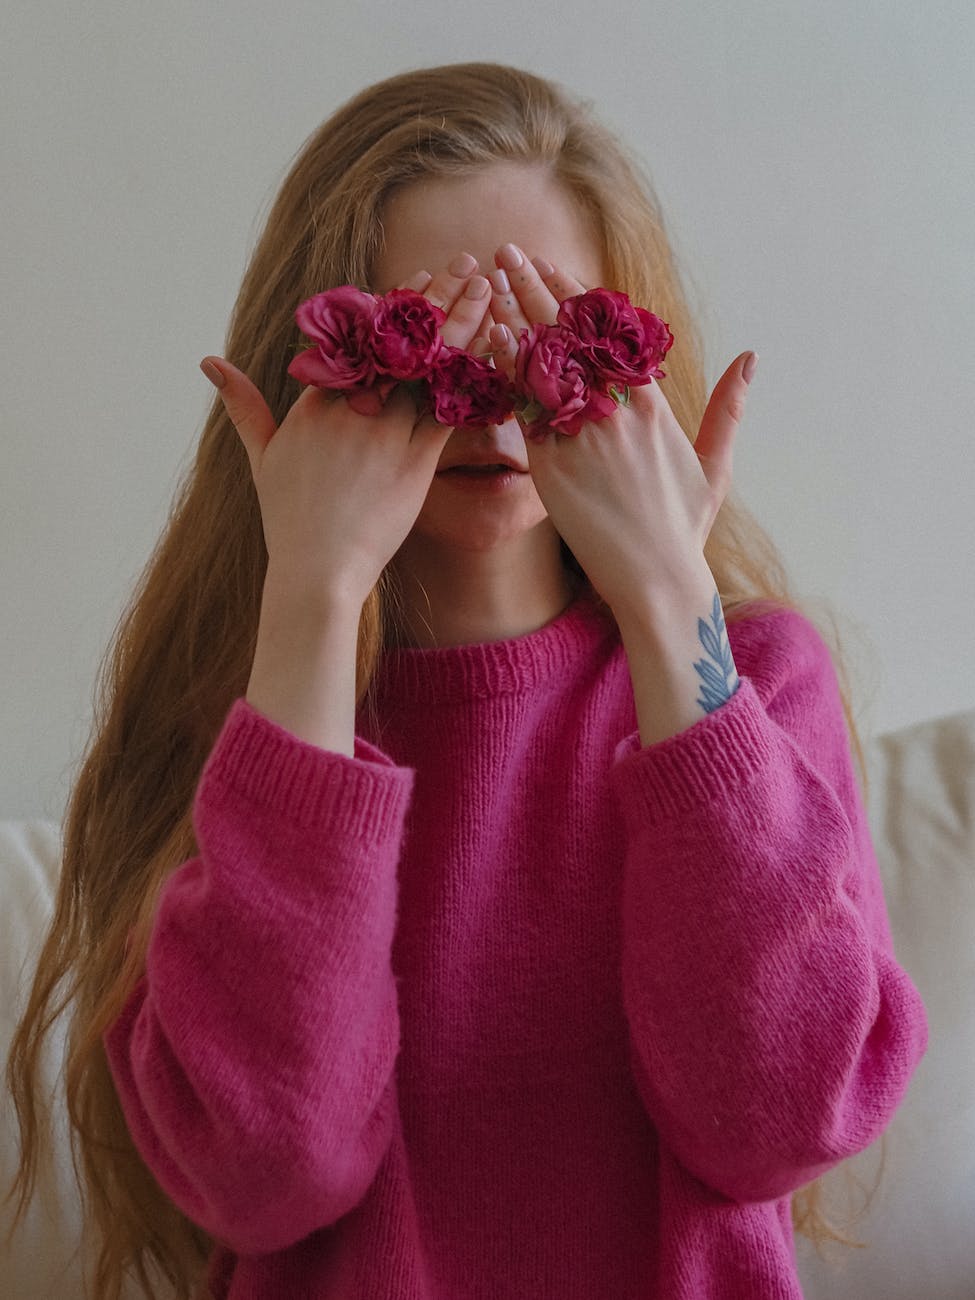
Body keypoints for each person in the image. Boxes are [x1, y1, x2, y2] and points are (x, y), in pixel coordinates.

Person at [7, 62, 928, 1300]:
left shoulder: (753, 684)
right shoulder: (252, 720)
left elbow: (780, 1119)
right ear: (309, 367)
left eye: (554, 343)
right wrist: (316, 598)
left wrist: (669, 601)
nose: (493, 407)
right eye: (419, 345)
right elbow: (265, 1171)